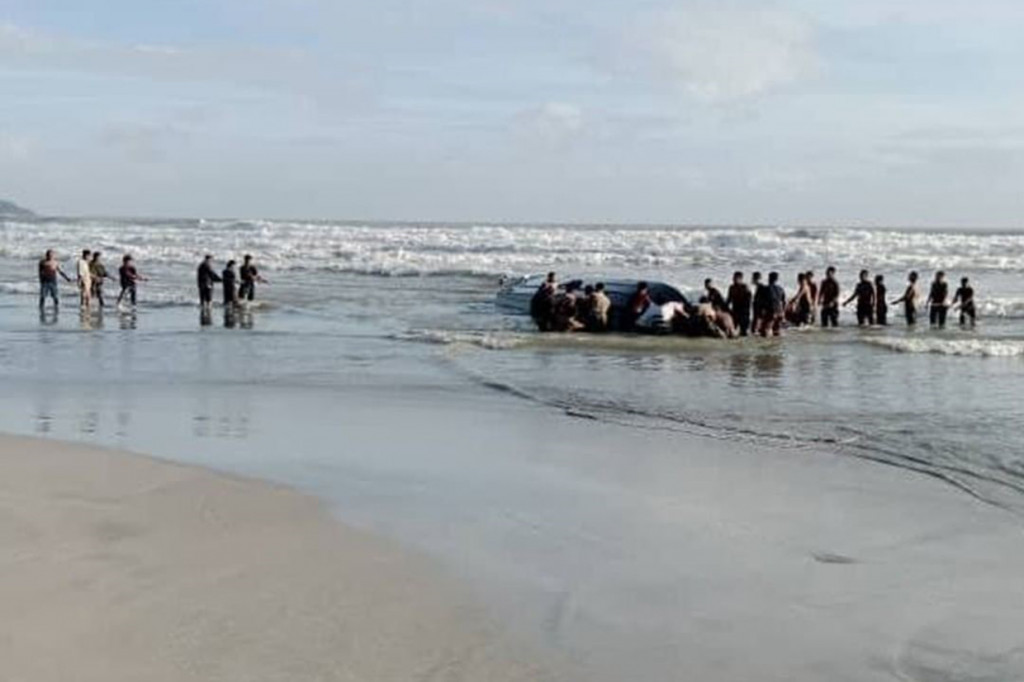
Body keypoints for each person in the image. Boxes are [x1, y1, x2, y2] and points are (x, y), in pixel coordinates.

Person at [759, 272, 786, 337]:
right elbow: (784, 302)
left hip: (771, 311)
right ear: (776, 279)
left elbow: (762, 302)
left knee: (765, 330)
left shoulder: (766, 289)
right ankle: (777, 345)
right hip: (780, 312)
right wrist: (783, 312)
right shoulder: (780, 289)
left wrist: (761, 311)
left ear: (769, 278)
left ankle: (768, 345)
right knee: (777, 330)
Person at [726, 271, 752, 336]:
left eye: (735, 278)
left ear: (741, 278)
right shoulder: (731, 287)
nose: (733, 279)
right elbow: (729, 299)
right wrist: (725, 308)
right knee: (733, 328)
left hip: (744, 312)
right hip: (735, 310)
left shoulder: (745, 287)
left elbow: (749, 299)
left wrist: (747, 311)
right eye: (733, 278)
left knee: (744, 331)